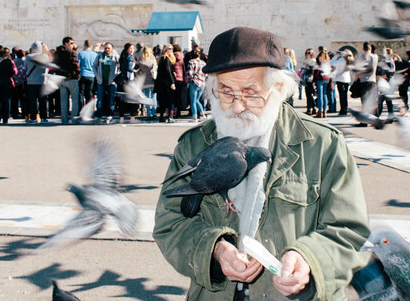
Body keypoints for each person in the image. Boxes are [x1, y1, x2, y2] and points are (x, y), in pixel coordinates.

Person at [154, 27, 370, 301]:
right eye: (226, 92)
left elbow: (351, 230)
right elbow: (169, 223)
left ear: (278, 88)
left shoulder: (322, 144)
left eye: (250, 93)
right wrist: (215, 249)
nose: (237, 106)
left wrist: (310, 259)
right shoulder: (193, 145)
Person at [54, 37, 80, 124]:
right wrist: (77, 73)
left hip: (61, 78)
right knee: (74, 99)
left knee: (63, 100)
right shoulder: (72, 52)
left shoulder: (57, 53)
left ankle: (64, 119)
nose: (73, 44)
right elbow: (75, 64)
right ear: (66, 43)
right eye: (71, 43)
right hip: (71, 78)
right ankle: (74, 119)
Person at [93, 42, 120, 123]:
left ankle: (109, 115)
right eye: (105, 48)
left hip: (111, 81)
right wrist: (97, 76)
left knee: (111, 99)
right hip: (101, 81)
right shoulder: (99, 56)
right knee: (100, 99)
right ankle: (98, 115)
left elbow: (119, 67)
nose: (107, 50)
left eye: (108, 48)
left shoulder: (115, 56)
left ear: (112, 48)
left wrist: (116, 76)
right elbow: (94, 66)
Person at [24, 41, 50, 124]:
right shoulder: (45, 57)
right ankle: (44, 118)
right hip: (42, 82)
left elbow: (25, 68)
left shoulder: (28, 57)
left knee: (32, 101)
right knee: (43, 101)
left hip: (31, 82)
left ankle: (33, 118)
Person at [356, 42, 378, 126]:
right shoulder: (375, 57)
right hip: (372, 80)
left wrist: (356, 79)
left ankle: (364, 121)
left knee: (364, 101)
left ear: (363, 49)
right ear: (370, 49)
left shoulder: (361, 57)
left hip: (364, 80)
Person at [118, 43, 139, 124]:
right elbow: (129, 68)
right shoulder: (131, 56)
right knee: (133, 99)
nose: (132, 50)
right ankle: (132, 117)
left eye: (132, 48)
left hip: (122, 80)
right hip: (129, 80)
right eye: (131, 48)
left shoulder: (123, 56)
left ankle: (121, 117)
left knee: (122, 100)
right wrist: (135, 70)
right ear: (127, 49)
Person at [155, 44, 176, 123]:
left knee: (162, 101)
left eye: (172, 49)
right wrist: (172, 82)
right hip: (167, 83)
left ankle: (161, 117)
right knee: (171, 100)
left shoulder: (161, 58)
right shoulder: (166, 58)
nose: (171, 50)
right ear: (165, 50)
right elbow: (168, 71)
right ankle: (170, 116)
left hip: (161, 83)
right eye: (169, 49)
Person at [136, 46, 157, 120]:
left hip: (145, 81)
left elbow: (137, 72)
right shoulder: (153, 60)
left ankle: (148, 114)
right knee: (154, 97)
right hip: (152, 80)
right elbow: (155, 69)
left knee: (147, 98)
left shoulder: (140, 61)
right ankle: (154, 113)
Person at [186, 47, 207, 122]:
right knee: (197, 100)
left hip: (194, 82)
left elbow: (189, 73)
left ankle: (194, 117)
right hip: (202, 83)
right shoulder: (203, 62)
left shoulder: (191, 61)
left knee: (193, 101)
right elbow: (206, 74)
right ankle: (202, 114)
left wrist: (188, 80)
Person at [331, 50, 353, 116]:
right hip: (347, 79)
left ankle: (342, 110)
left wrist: (336, 56)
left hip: (340, 79)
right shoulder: (350, 61)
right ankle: (345, 109)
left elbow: (331, 63)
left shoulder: (341, 60)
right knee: (345, 96)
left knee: (341, 96)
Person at [78, 40, 98, 109]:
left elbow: (78, 65)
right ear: (91, 46)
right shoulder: (95, 55)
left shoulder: (81, 54)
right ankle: (89, 111)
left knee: (81, 94)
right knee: (89, 94)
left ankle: (81, 110)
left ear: (84, 45)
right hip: (92, 75)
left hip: (83, 74)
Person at [313, 46, 331, 118]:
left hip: (320, 78)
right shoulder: (327, 58)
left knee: (320, 95)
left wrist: (314, 79)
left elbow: (316, 69)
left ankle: (320, 112)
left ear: (319, 50)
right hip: (326, 78)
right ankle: (325, 112)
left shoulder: (319, 58)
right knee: (324, 95)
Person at [300, 48, 317, 116]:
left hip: (310, 78)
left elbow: (312, 70)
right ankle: (312, 108)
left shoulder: (313, 60)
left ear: (312, 53)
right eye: (306, 53)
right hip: (305, 78)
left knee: (309, 94)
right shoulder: (306, 60)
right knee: (308, 94)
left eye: (309, 53)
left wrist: (306, 67)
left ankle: (310, 108)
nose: (307, 54)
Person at [172, 44, 186, 118]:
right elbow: (184, 69)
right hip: (181, 79)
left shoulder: (172, 57)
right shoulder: (181, 57)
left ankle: (173, 111)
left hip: (174, 79)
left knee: (173, 96)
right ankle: (179, 113)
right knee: (179, 96)